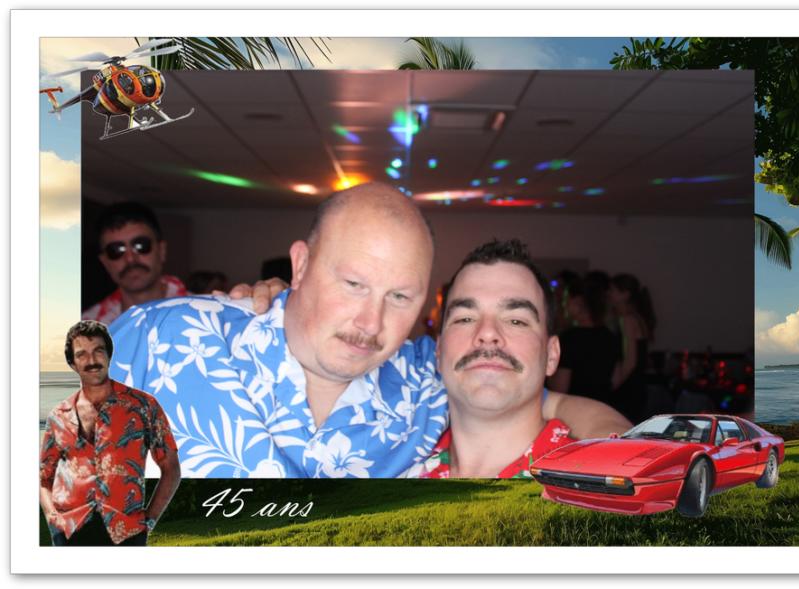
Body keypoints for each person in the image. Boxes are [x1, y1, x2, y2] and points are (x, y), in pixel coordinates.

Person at [108, 182, 630, 478]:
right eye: (354, 284)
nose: (371, 323)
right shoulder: (160, 338)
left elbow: (537, 396)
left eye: (399, 297)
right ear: (301, 265)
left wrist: (635, 454)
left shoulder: (426, 377)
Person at [412, 240, 576, 478]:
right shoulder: (397, 469)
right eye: (465, 319)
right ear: (438, 351)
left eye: (516, 321)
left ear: (552, 355)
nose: (487, 333)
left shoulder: (590, 485)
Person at [40, 321, 181, 545]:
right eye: (82, 354)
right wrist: (51, 516)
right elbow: (43, 478)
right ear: (72, 363)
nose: (92, 361)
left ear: (109, 355)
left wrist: (150, 520)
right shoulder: (58, 416)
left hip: (126, 531)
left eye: (98, 351)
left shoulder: (144, 406)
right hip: (69, 530)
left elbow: (171, 468)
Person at [82, 201, 188, 325]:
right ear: (105, 262)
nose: (130, 259)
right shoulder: (86, 329)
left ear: (161, 250)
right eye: (115, 250)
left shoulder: (202, 312)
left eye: (140, 245)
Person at [548, 277, 620, 407]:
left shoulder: (570, 338)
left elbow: (560, 387)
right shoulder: (609, 336)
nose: (564, 305)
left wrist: (546, 372)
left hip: (575, 408)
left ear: (578, 302)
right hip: (602, 407)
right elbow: (615, 379)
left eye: (566, 300)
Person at [610, 273, 656, 423]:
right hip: (636, 385)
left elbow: (630, 361)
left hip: (629, 388)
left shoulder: (628, 320)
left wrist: (613, 386)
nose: (609, 294)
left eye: (613, 290)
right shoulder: (636, 317)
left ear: (625, 294)